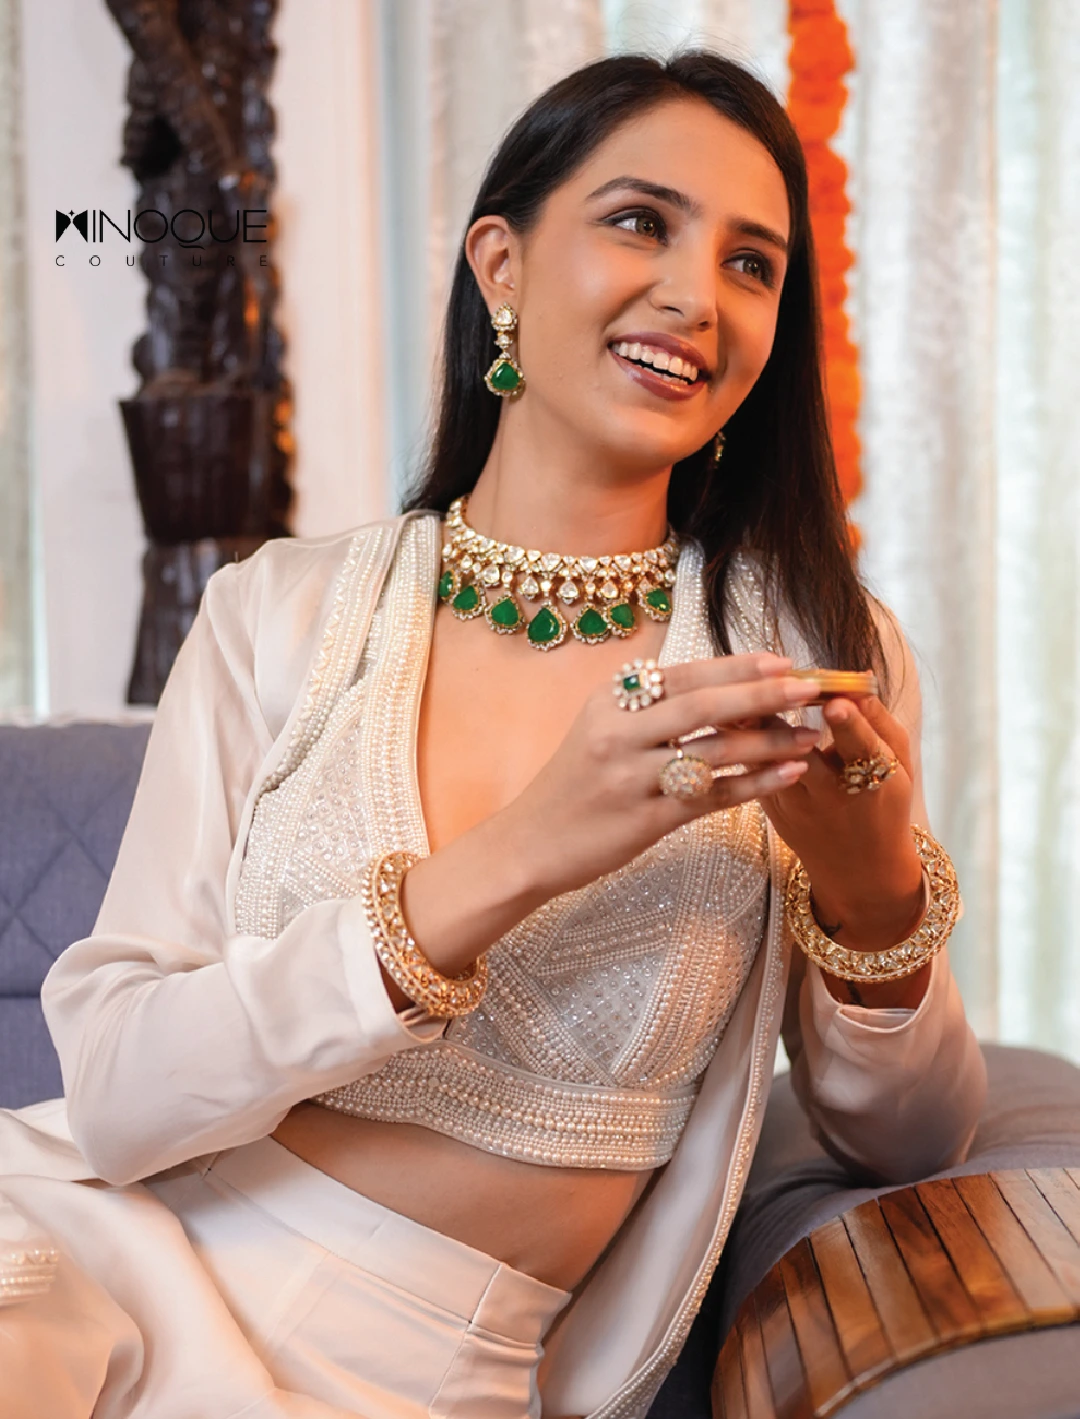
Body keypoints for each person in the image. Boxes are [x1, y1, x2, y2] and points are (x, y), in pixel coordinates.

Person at [0, 50, 986, 1420]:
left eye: (752, 265)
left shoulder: (806, 652)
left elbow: (913, 1143)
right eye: (639, 221)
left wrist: (879, 903)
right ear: (501, 265)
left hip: (404, 1369)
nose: (697, 296)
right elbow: (113, 1093)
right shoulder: (277, 613)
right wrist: (523, 851)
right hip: (78, 1258)